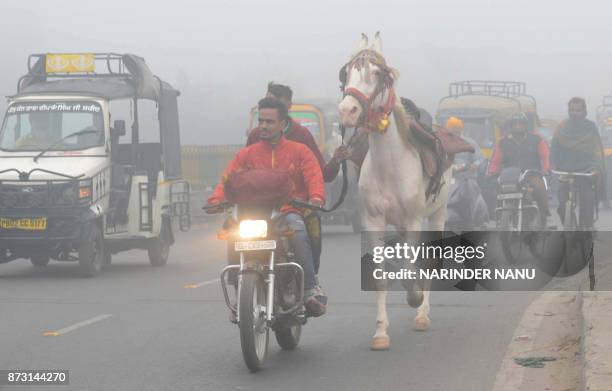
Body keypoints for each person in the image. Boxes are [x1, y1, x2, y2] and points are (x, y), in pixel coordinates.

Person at [206, 97, 328, 316]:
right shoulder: (246, 154)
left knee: (299, 232)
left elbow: (313, 175)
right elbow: (228, 180)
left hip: (287, 212)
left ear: (283, 124)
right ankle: (240, 292)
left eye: (269, 122)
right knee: (233, 234)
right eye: (260, 121)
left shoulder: (300, 151)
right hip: (251, 214)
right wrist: (216, 199)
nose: (263, 126)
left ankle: (310, 288)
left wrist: (316, 197)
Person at [247, 82, 349, 277]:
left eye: (277, 104)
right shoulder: (255, 136)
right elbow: (239, 172)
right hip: (258, 207)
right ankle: (240, 278)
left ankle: (310, 283)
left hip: (293, 206)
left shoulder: (301, 137)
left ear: (287, 109)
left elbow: (321, 174)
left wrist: (335, 161)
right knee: (233, 233)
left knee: (306, 231)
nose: (271, 110)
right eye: (268, 102)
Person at [551, 97, 606, 229]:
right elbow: (554, 149)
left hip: (585, 170)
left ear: (584, 111)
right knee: (562, 203)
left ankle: (586, 227)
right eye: (572, 110)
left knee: (588, 198)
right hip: (565, 170)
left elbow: (596, 150)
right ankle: (568, 226)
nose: (574, 113)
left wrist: (596, 167)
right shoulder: (561, 127)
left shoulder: (590, 127)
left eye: (578, 110)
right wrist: (553, 165)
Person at [488, 113, 550, 227]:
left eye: (520, 124)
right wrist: (492, 171)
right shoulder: (502, 142)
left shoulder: (536, 139)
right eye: (515, 124)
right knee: (495, 189)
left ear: (526, 125)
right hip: (509, 176)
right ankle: (498, 216)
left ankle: (543, 216)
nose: (518, 126)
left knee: (540, 187)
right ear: (510, 126)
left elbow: (546, 156)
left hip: (531, 174)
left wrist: (546, 168)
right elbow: (496, 160)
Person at [445, 117, 489, 228]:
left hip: (468, 178)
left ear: (461, 131)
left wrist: (475, 165)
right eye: (452, 131)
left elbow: (480, 159)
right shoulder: (443, 144)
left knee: (472, 190)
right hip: (449, 178)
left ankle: (476, 217)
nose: (455, 134)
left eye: (457, 131)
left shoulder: (469, 143)